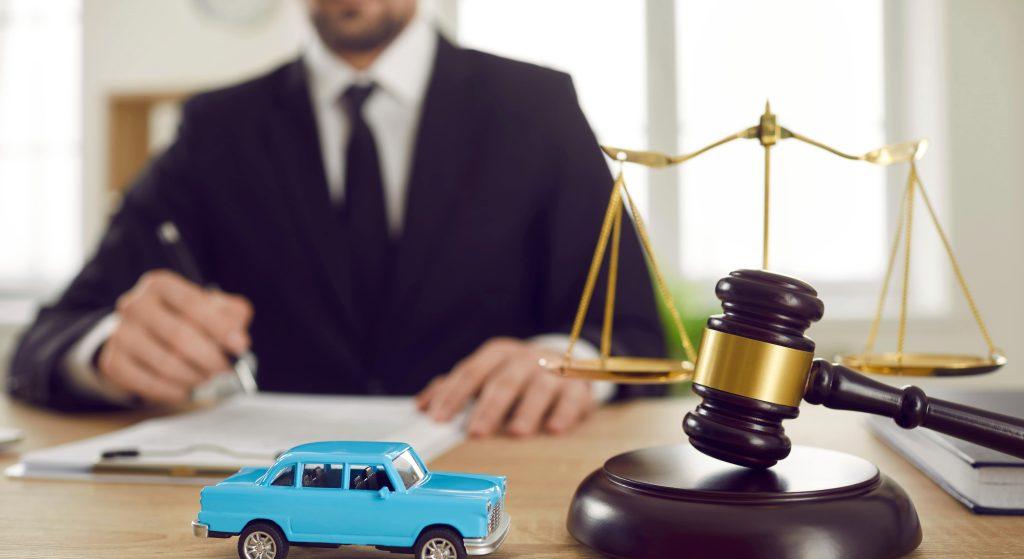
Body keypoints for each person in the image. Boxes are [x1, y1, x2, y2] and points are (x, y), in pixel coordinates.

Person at [7, 0, 664, 437]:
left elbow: (636, 333)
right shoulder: (217, 130)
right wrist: (110, 351)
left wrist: (564, 360)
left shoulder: (539, 107)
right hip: (276, 521)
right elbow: (47, 341)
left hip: (502, 491)